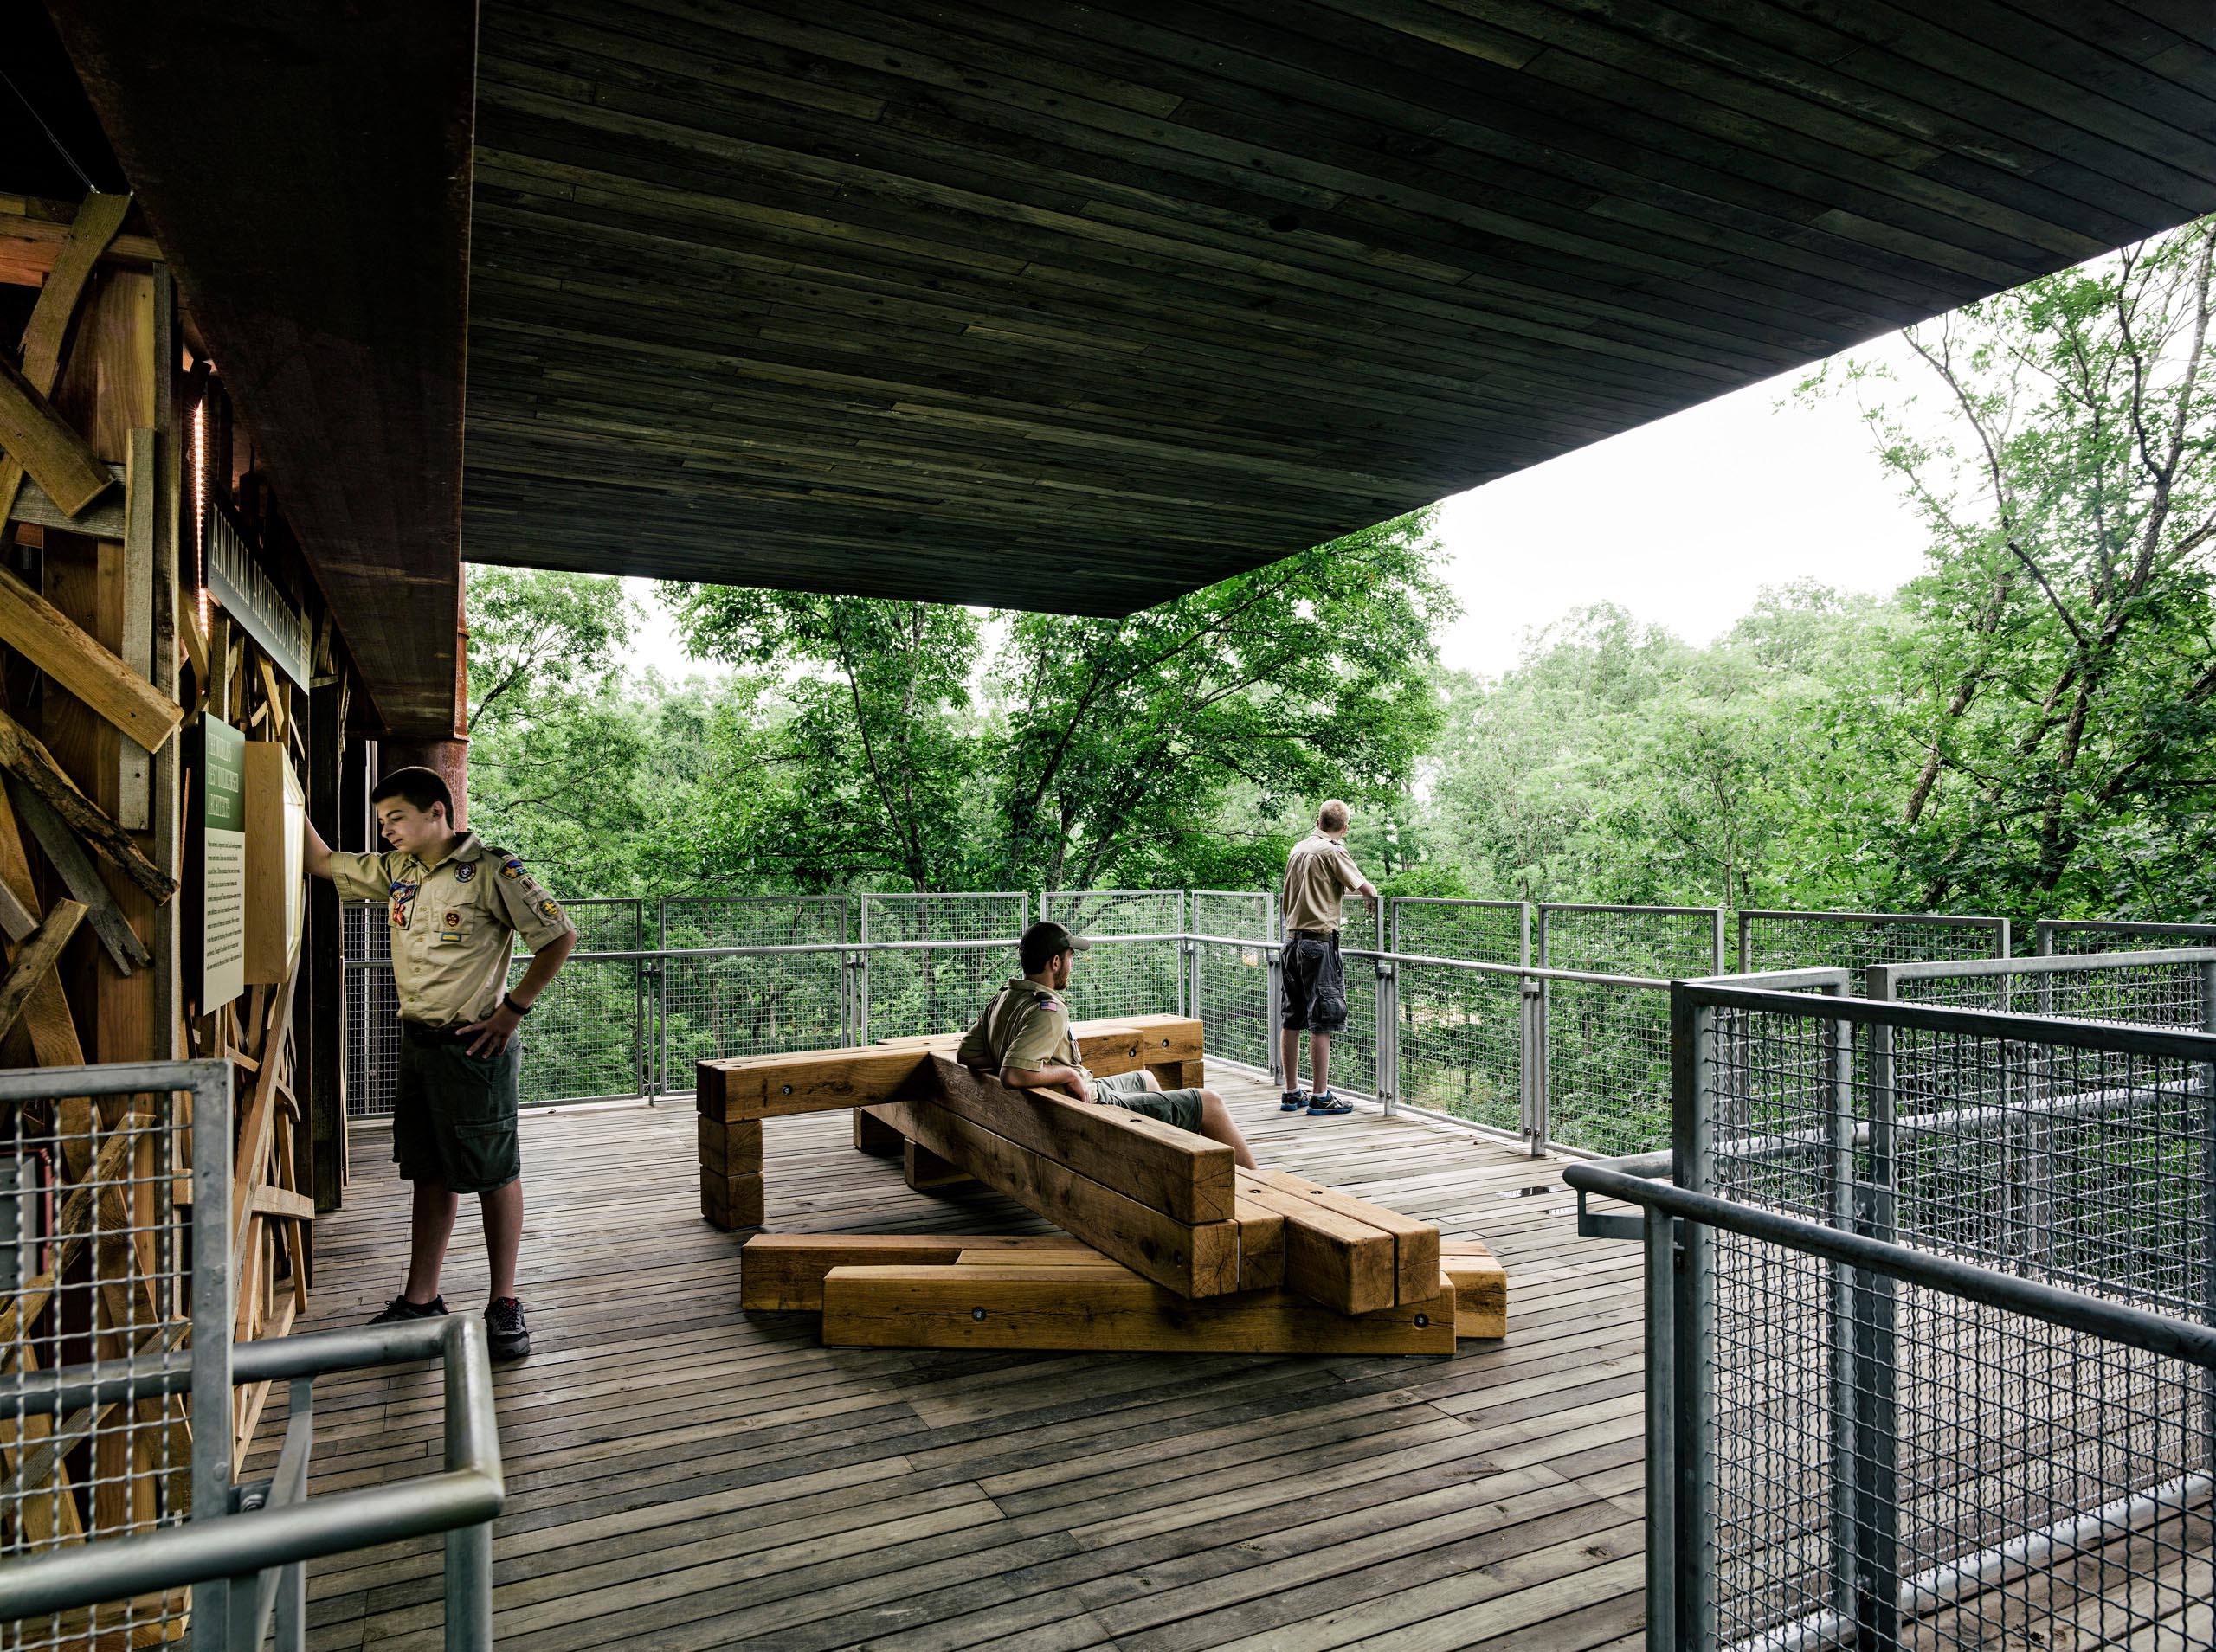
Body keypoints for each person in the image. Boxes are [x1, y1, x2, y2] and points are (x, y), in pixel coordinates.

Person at [302, 766, 577, 1360]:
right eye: (382, 822)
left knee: (494, 1172)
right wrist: (284, 788)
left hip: (476, 1048)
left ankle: (504, 1301)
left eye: (396, 818)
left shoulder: (492, 870)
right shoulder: (397, 871)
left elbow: (558, 935)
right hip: (418, 1044)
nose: (387, 831)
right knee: (428, 1170)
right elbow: (321, 861)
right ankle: (421, 1296)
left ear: (436, 812)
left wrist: (513, 1011)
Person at [958, 920, 1259, 1168]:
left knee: (1147, 1077)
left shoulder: (1004, 998)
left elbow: (967, 1053)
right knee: (1211, 1104)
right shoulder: (1046, 1011)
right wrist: (1066, 1075)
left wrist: (1031, 1067)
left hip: (1070, 1102)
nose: (1071, 965)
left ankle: (1163, 1163)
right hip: (1091, 1111)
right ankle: (1260, 1187)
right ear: (1054, 962)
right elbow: (1014, 1075)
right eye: (1070, 958)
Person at [1278, 799, 1378, 1116]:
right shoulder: (1334, 851)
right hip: (1318, 944)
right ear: (1344, 828)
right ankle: (1321, 1096)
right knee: (1322, 1019)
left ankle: (1292, 1092)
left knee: (1292, 1017)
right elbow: (1366, 887)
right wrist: (1372, 899)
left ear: (1318, 821)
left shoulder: (1298, 849)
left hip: (1291, 942)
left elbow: (1306, 891)